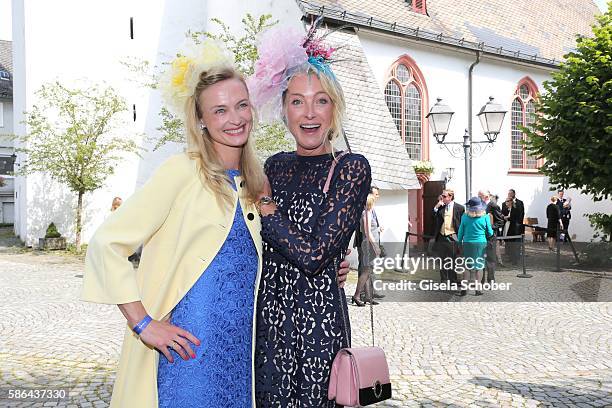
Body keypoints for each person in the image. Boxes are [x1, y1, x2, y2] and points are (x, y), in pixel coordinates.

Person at [249, 24, 371, 407]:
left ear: (334, 107)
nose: (309, 113)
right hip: (271, 319)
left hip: (320, 324)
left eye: (321, 100)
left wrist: (267, 206)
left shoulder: (351, 167)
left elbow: (314, 255)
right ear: (284, 109)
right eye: (297, 101)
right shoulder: (274, 165)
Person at [354, 185, 386, 301]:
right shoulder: (366, 213)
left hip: (369, 244)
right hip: (367, 245)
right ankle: (357, 295)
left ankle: (368, 296)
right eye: (375, 196)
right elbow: (367, 232)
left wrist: (377, 229)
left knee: (368, 270)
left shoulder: (369, 212)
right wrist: (376, 247)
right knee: (366, 271)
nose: (377, 198)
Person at [457, 197, 494, 296]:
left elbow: (460, 231)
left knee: (467, 267)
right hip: (481, 244)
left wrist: (459, 242)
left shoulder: (464, 216)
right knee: (479, 266)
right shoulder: (485, 217)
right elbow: (490, 232)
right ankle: (478, 289)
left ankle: (464, 289)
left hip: (468, 243)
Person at [433, 189, 465, 284]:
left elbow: (462, 223)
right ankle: (443, 279)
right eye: (442, 196)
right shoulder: (440, 207)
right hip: (442, 236)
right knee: (442, 259)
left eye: (444, 196)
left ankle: (453, 280)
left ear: (450, 197)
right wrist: (436, 207)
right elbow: (433, 217)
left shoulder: (460, 208)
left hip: (453, 236)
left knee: (453, 260)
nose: (442, 198)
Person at [478, 189, 504, 282]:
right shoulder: (479, 205)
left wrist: (489, 228)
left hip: (490, 237)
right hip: (480, 236)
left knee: (490, 259)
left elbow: (500, 222)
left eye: (480, 196)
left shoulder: (493, 205)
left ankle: (491, 280)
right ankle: (481, 280)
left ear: (486, 197)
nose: (478, 198)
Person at [501, 189, 525, 264]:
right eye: (509, 193)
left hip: (516, 227)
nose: (506, 203)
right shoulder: (504, 204)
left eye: (511, 193)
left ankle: (515, 258)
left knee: (515, 244)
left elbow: (520, 215)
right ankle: (510, 257)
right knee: (509, 242)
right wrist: (504, 217)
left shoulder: (519, 204)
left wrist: (519, 225)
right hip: (507, 226)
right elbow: (503, 213)